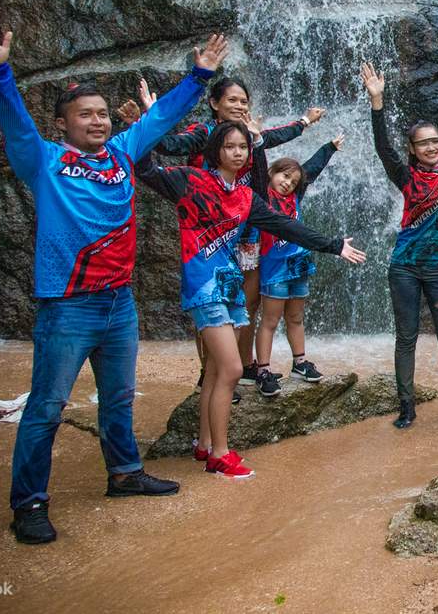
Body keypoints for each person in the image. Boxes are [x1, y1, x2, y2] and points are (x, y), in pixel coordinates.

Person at [0, 17, 228, 545]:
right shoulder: (44, 160)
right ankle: (29, 502)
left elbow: (164, 116)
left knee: (120, 396)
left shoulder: (125, 153)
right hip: (67, 306)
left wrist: (199, 77)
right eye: (86, 115)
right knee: (47, 406)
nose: (99, 121)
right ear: (63, 124)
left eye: (103, 114)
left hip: (118, 303)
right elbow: (13, 123)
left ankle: (124, 474)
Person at [136, 122, 366, 479]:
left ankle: (203, 443)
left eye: (243, 146)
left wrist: (333, 245)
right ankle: (220, 455)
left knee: (215, 369)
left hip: (229, 287)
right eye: (230, 146)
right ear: (216, 151)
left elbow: (285, 225)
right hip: (202, 286)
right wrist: (147, 125)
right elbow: (145, 168)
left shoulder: (245, 197)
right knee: (231, 368)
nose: (238, 152)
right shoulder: (189, 180)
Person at [155, 75, 325, 391]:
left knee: (247, 303)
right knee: (211, 300)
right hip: (209, 230)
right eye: (232, 99)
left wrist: (304, 122)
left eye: (244, 101)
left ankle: (246, 367)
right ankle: (211, 374)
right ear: (214, 103)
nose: (239, 105)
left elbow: (274, 136)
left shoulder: (248, 137)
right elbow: (170, 145)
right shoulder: (203, 134)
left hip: (247, 228)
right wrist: (153, 120)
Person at [362, 52, 438, 435]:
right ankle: (406, 405)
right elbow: (383, 148)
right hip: (404, 268)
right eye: (423, 143)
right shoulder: (405, 177)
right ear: (412, 150)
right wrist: (377, 102)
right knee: (406, 338)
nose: (432, 147)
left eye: (435, 141)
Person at [252, 134, 346, 397]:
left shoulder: (295, 196)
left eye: (292, 182)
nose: (287, 183)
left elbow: (309, 171)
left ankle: (300, 363)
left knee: (296, 317)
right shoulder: (261, 197)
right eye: (283, 176)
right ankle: (263, 370)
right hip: (274, 267)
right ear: (271, 174)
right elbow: (259, 169)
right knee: (270, 320)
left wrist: (329, 148)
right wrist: (258, 144)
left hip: (299, 265)